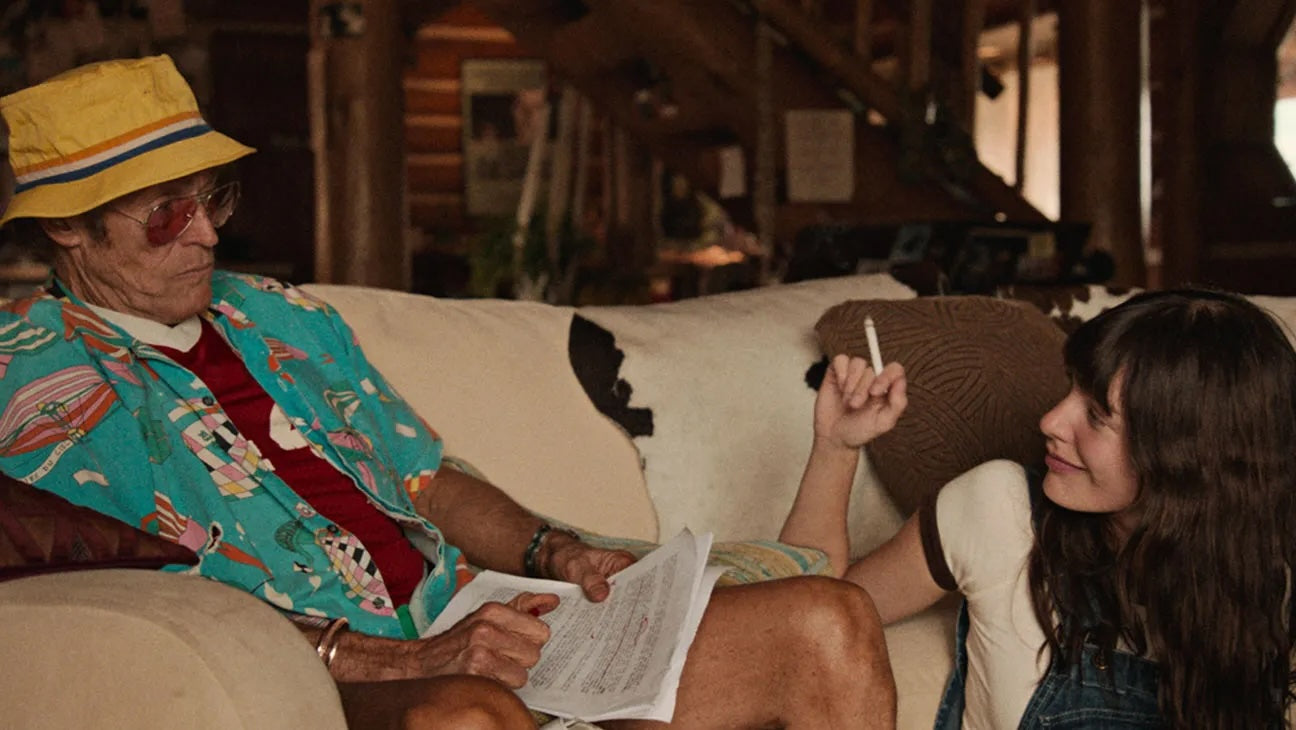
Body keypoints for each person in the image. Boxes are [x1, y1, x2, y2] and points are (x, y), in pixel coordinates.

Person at [0, 56, 897, 729]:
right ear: (67, 226)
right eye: (167, 212)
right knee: (467, 715)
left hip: (472, 617)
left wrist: (556, 552)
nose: (204, 234)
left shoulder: (279, 315)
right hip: (331, 674)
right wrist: (399, 662)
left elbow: (425, 479)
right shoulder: (32, 382)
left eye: (212, 199)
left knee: (831, 620)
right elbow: (131, 601)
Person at [780, 289, 1296, 728]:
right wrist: (836, 447)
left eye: (1097, 415)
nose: (1051, 420)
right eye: (1071, 387)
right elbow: (793, 622)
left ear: (1187, 459)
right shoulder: (1000, 511)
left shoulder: (1267, 580)